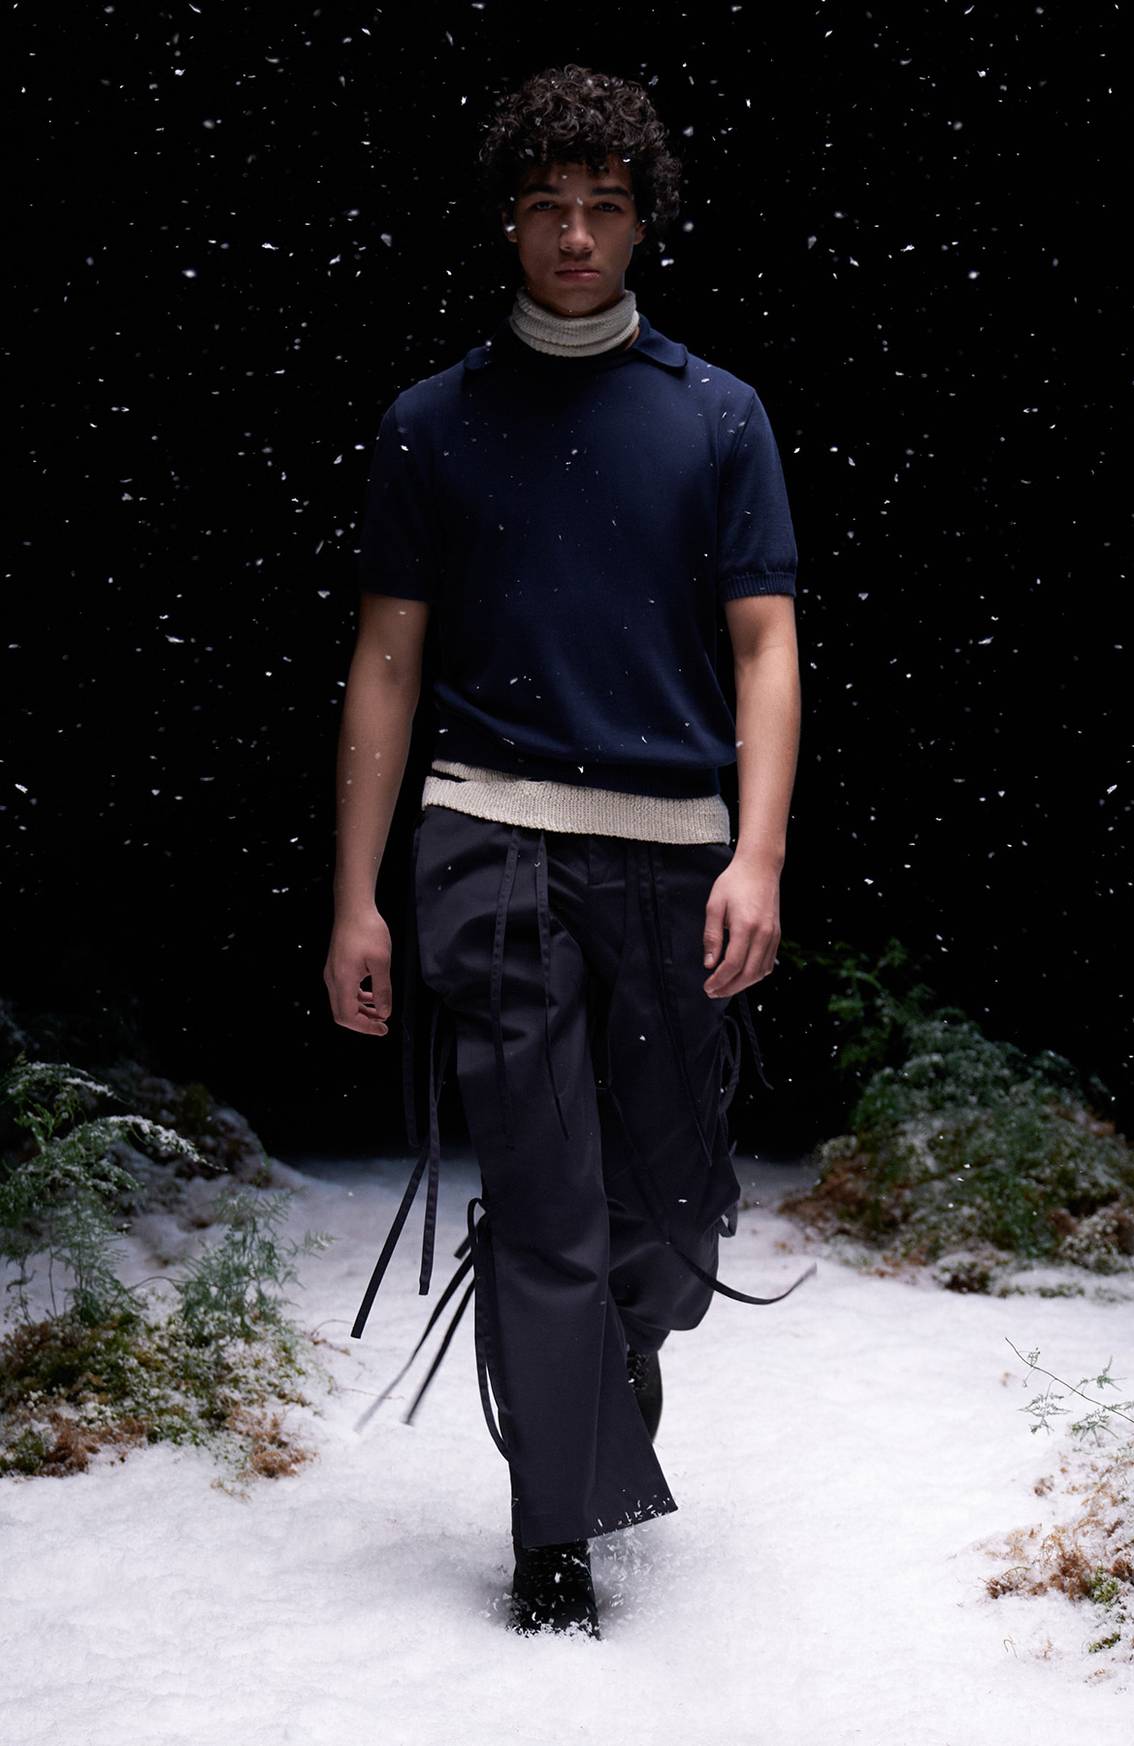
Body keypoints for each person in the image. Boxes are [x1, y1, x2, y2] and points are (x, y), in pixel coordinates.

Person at [324, 62, 813, 1640]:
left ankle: (604, 1375)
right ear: (511, 221)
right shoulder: (432, 425)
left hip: (675, 854)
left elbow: (766, 649)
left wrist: (759, 855)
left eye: (605, 207)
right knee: (544, 1203)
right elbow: (385, 662)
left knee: (666, 1229)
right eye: (549, 207)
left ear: (644, 218)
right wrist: (354, 897)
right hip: (490, 837)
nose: (578, 236)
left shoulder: (717, 416)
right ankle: (554, 1542)